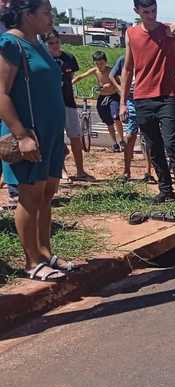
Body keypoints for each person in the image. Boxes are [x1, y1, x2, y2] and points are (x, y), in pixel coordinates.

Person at [0, 0, 71, 281]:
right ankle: (32, 263)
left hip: (51, 135)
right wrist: (21, 135)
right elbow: (2, 94)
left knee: (46, 194)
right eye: (45, 12)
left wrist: (60, 137)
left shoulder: (39, 45)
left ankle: (45, 252)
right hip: (29, 135)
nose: (50, 17)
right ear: (27, 15)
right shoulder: (10, 46)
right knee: (29, 196)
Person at [121, 0, 175, 210]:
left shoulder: (169, 31)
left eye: (154, 10)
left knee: (171, 144)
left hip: (166, 97)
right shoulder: (130, 33)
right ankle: (166, 191)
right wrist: (124, 102)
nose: (151, 15)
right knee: (153, 147)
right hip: (142, 98)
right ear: (137, 11)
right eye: (146, 12)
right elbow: (127, 69)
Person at [41, 29, 91, 181]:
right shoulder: (43, 59)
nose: (55, 46)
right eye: (51, 43)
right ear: (45, 44)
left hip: (69, 102)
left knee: (75, 136)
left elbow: (71, 78)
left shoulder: (69, 58)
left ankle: (80, 171)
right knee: (57, 139)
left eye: (57, 42)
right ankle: (61, 170)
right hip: (50, 104)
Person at [110, 54, 153, 182]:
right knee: (130, 136)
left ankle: (148, 171)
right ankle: (126, 171)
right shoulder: (124, 59)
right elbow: (112, 75)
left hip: (146, 99)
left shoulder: (147, 56)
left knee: (147, 137)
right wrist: (121, 90)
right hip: (131, 101)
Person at [73, 50, 123, 152]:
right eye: (97, 64)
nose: (100, 66)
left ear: (106, 61)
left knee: (116, 117)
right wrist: (71, 82)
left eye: (101, 63)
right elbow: (81, 76)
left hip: (113, 96)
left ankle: (122, 140)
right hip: (102, 98)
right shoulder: (95, 71)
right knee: (108, 122)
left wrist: (112, 85)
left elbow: (120, 82)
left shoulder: (111, 70)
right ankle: (114, 143)